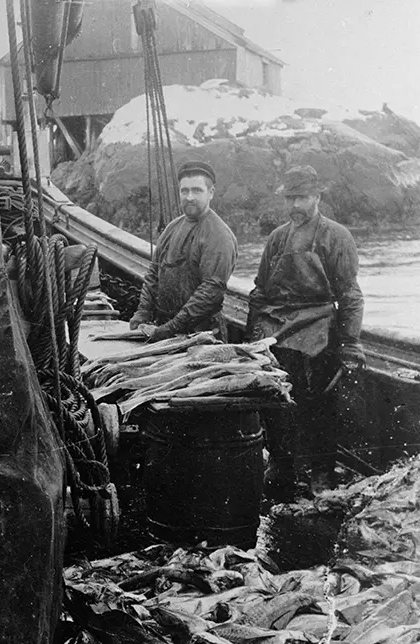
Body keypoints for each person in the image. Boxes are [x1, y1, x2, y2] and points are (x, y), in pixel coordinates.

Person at [249, 165, 365, 498]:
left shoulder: (336, 236)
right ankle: (282, 466)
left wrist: (351, 344)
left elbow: (350, 295)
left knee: (320, 406)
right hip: (278, 327)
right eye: (290, 198)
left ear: (317, 197)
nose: (295, 205)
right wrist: (253, 337)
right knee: (275, 401)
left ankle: (322, 472)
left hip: (319, 329)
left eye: (301, 197)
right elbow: (260, 292)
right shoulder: (277, 238)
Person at [129, 160, 238, 341]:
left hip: (202, 335)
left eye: (197, 190)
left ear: (211, 193)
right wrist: (143, 311)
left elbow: (210, 292)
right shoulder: (172, 228)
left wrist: (169, 329)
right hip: (165, 328)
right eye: (184, 191)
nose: (189, 197)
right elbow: (154, 273)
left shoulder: (219, 236)